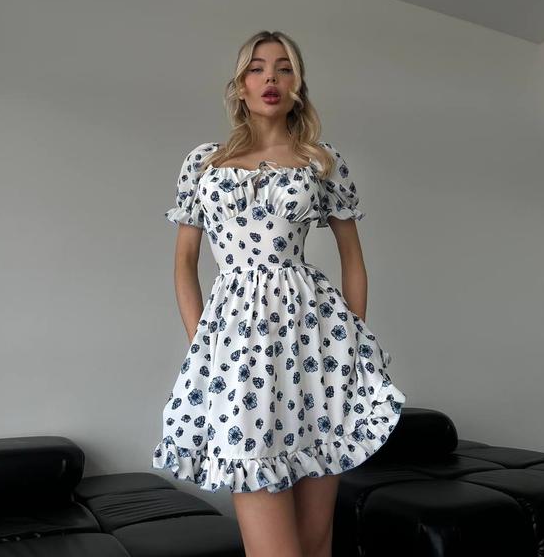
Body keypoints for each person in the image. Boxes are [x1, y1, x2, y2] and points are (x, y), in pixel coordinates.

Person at [153, 30, 406, 557]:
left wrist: (353, 347)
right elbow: (184, 262)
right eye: (257, 68)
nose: (271, 77)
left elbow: (352, 258)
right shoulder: (204, 162)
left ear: (298, 85)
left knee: (316, 543)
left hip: (317, 348)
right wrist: (204, 347)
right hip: (239, 351)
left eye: (284, 67)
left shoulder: (322, 161)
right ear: (240, 85)